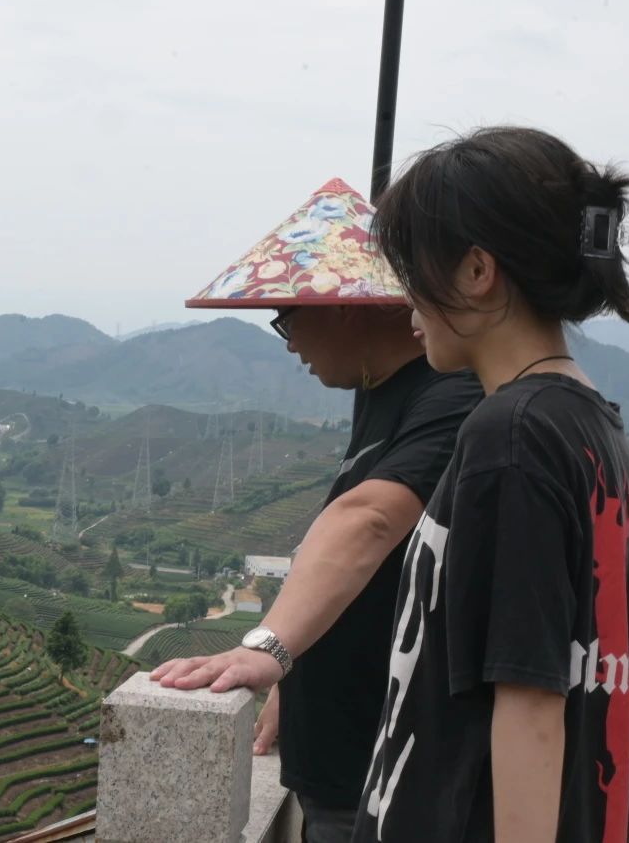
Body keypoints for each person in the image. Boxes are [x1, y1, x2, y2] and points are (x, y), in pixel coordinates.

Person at [354, 126, 629, 842]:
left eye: (413, 269)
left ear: (475, 270)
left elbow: (529, 705)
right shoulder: (589, 423)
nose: (407, 301)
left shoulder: (512, 435)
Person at [157, 178, 481, 842]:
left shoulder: (452, 398)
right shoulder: (382, 394)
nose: (286, 343)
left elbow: (370, 519)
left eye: (286, 317)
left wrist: (268, 648)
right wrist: (296, 662)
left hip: (384, 776)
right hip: (340, 765)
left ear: (344, 308)